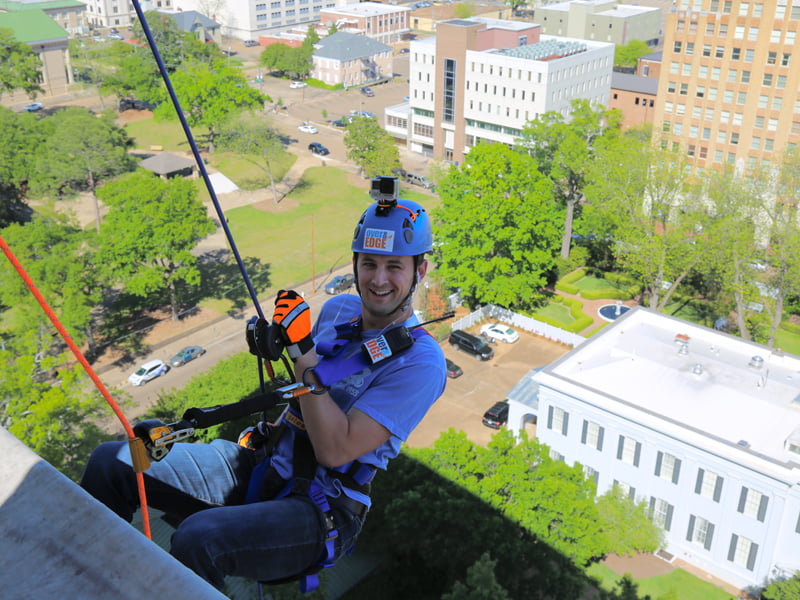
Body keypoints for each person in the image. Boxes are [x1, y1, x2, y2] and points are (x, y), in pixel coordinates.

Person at [80, 194, 447, 590]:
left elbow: (335, 449)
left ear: (419, 270)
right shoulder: (339, 309)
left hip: (322, 508)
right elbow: (304, 397)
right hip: (267, 463)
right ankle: (83, 581)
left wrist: (301, 349)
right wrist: (272, 427)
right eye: (369, 263)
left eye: (394, 267)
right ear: (355, 263)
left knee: (198, 538)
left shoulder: (421, 365)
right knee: (111, 462)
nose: (377, 279)